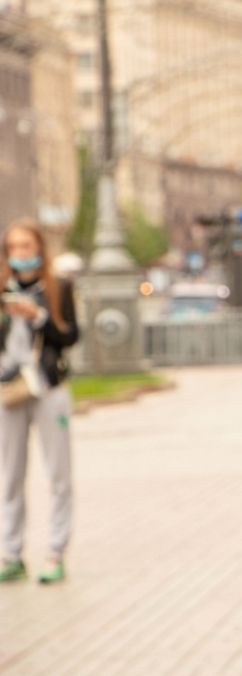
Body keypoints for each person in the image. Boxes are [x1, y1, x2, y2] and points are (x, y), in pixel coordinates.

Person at [0, 219, 80, 585]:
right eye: (14, 248)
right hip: (10, 390)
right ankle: (11, 554)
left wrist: (40, 317)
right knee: (10, 476)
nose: (21, 254)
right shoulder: (2, 290)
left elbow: (69, 337)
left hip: (48, 388)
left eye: (26, 247)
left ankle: (55, 550)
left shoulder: (57, 288)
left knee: (58, 473)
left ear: (39, 249)